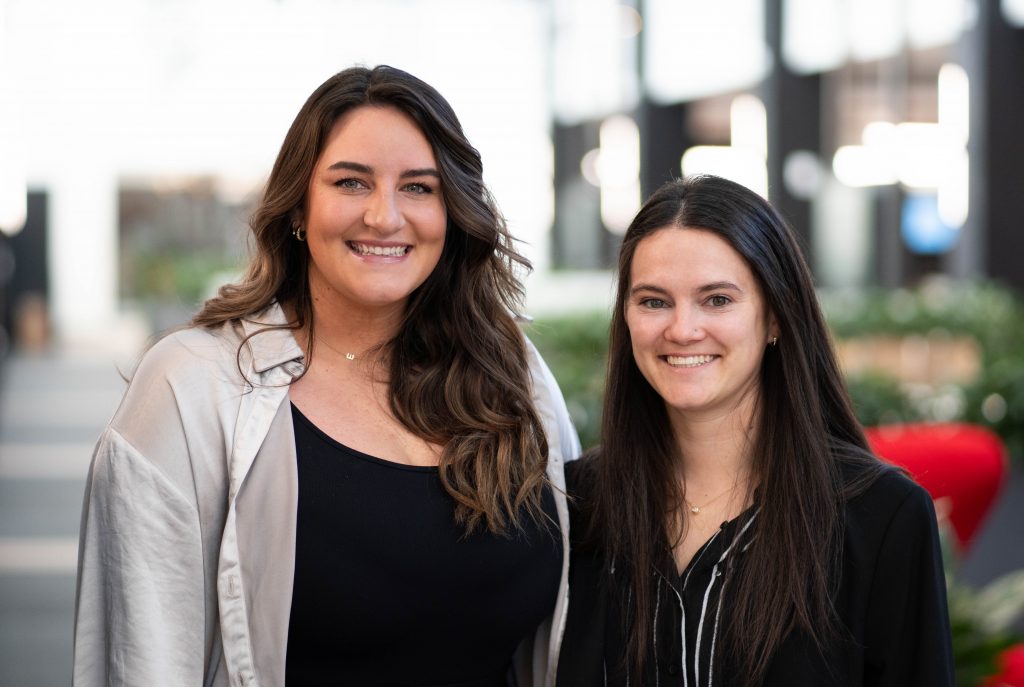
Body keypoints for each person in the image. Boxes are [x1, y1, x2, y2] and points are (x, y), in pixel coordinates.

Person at [73, 65, 580, 687]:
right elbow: (142, 659)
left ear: (453, 212)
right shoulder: (193, 387)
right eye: (351, 182)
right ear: (297, 208)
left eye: (419, 188)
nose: (384, 216)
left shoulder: (512, 375)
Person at [557, 175, 954, 686]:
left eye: (717, 300)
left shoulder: (880, 517)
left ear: (775, 318)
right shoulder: (576, 507)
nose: (681, 329)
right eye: (653, 301)